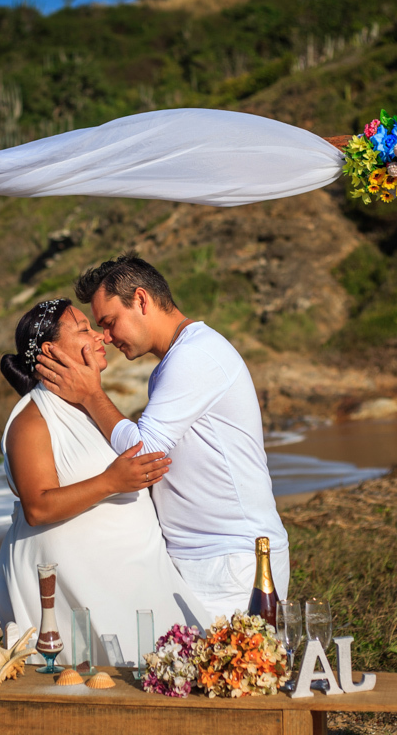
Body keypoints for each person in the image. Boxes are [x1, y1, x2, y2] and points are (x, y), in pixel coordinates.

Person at [35, 253, 289, 623]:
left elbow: (145, 453)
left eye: (109, 322)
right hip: (209, 559)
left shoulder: (195, 355)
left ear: (141, 300)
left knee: (231, 677)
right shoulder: (176, 361)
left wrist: (91, 394)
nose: (105, 337)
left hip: (228, 561)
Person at [0, 297, 207, 666]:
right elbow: (38, 506)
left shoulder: (90, 407)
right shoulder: (33, 418)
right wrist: (111, 482)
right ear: (51, 350)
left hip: (133, 573)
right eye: (83, 330)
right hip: (82, 584)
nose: (100, 338)